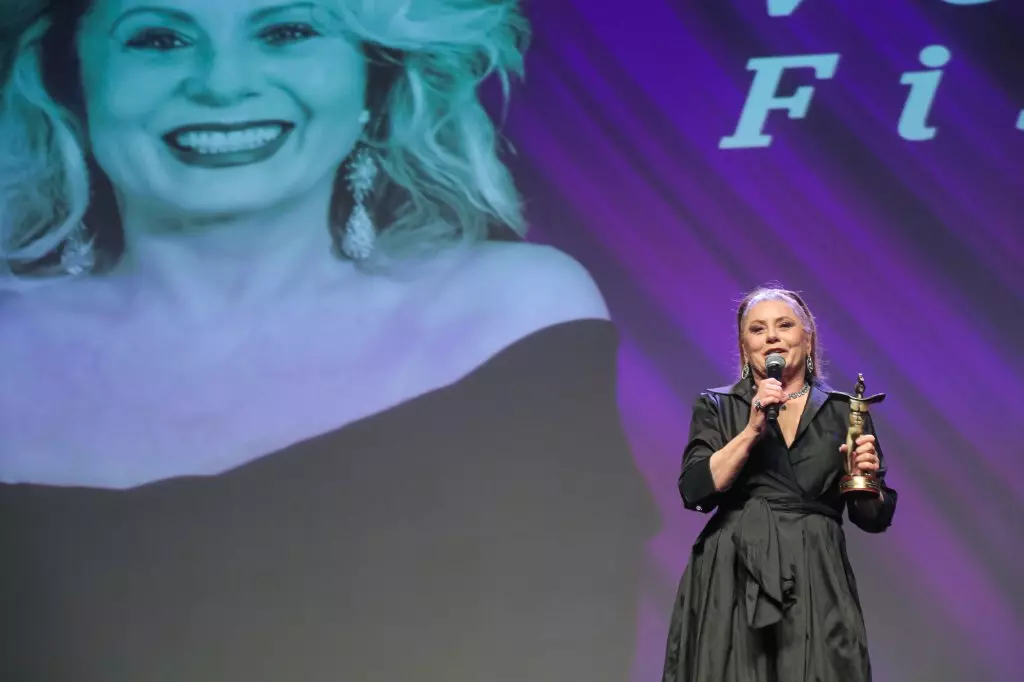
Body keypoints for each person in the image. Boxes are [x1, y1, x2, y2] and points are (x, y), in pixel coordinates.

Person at [0, 1, 657, 680]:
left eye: (286, 31)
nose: (222, 83)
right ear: (71, 87)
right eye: (159, 38)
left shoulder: (511, 317)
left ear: (373, 82)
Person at [661, 285, 898, 682]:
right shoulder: (718, 405)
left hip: (816, 571)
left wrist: (867, 478)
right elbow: (695, 489)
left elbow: (872, 517)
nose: (771, 336)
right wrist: (752, 429)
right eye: (758, 329)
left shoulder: (845, 410)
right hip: (733, 573)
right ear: (744, 347)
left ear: (807, 338)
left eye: (784, 325)